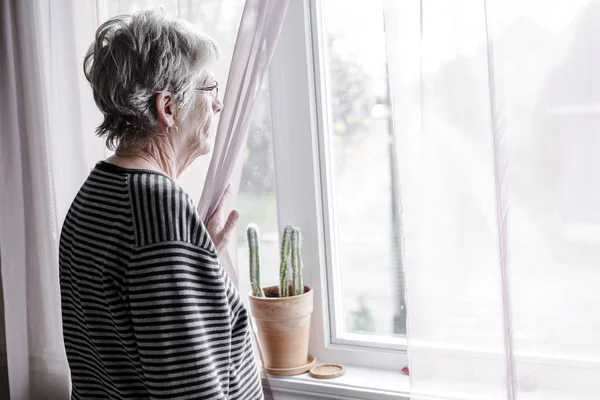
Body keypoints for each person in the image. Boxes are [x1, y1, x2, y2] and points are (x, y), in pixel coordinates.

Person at [59, 10, 263, 400]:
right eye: (209, 89)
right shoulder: (158, 210)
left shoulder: (94, 194)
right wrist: (179, 245)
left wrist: (200, 263)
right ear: (167, 107)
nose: (218, 105)